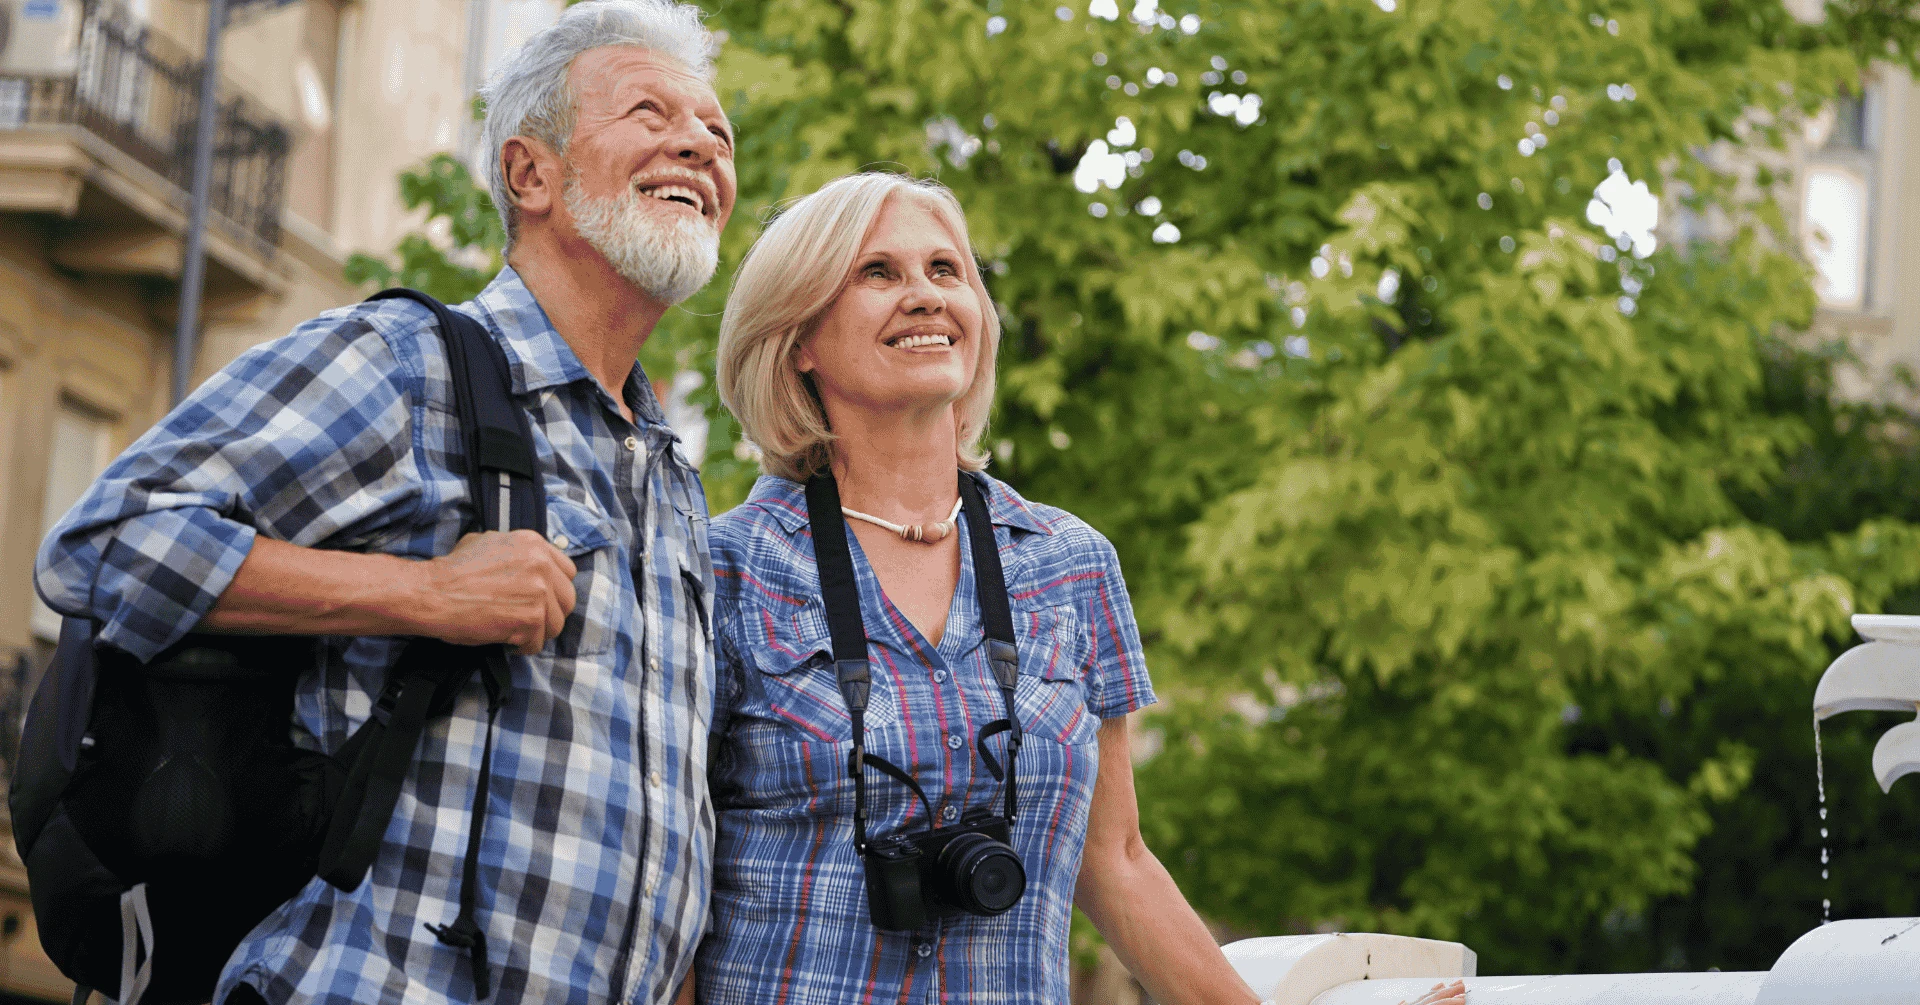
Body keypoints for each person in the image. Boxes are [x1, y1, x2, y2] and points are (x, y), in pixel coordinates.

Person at [33, 2, 733, 1002]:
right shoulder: (409, 365)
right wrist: (425, 593)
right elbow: (106, 544)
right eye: (650, 114)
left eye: (716, 131)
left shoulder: (672, 479)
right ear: (529, 174)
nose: (699, 146)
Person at [696, 171, 1468, 1004]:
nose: (924, 295)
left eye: (946, 270)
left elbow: (1118, 862)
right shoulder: (724, 568)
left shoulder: (1067, 561)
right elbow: (668, 879)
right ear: (798, 339)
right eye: (877, 272)